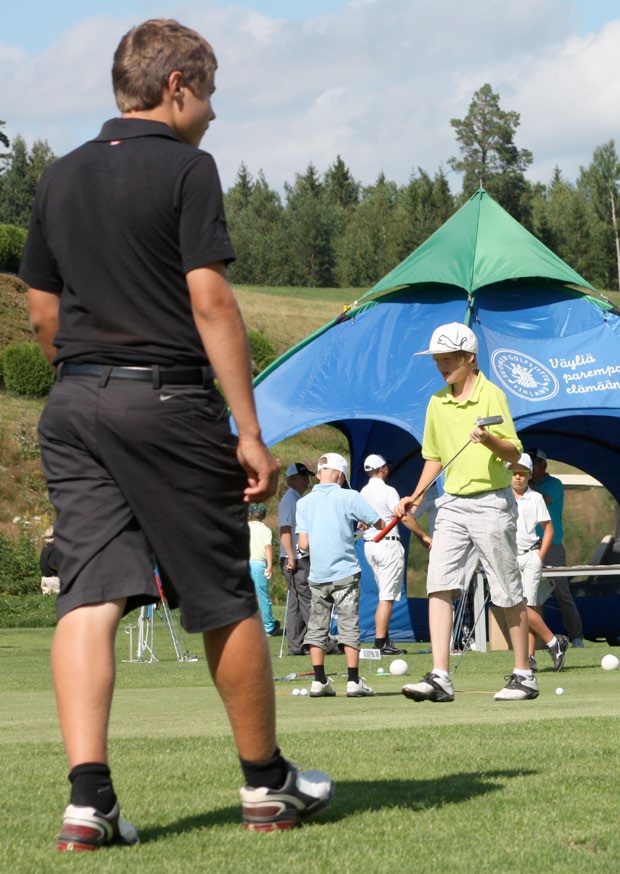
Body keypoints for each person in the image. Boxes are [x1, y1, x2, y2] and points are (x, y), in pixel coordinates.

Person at [20, 19, 333, 848]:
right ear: (176, 87)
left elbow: (41, 311)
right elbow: (211, 300)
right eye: (211, 95)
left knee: (88, 593)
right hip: (167, 403)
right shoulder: (190, 169)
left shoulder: (57, 177)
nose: (213, 115)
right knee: (224, 592)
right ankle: (267, 786)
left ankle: (89, 803)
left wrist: (87, 376)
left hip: (74, 405)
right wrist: (252, 433)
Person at [395, 322, 538, 702]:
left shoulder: (493, 396)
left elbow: (515, 454)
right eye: (438, 360)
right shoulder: (436, 402)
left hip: (492, 501)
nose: (441, 366)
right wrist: (416, 494)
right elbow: (434, 457)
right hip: (452, 505)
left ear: (469, 358)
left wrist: (489, 438)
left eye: (448, 359)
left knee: (507, 590)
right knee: (438, 584)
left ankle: (524, 674)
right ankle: (440, 676)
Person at [296, 453, 384, 697]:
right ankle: (354, 681)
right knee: (348, 624)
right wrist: (358, 525)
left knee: (316, 626)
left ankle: (319, 680)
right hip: (345, 571)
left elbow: (303, 544)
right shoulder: (349, 496)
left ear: (320, 472)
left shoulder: (303, 503)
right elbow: (379, 523)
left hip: (318, 574)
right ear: (340, 475)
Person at [360, 453, 432, 654]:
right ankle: (381, 643)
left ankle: (383, 639)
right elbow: (404, 517)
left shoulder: (363, 492)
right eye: (385, 467)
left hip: (370, 545)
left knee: (385, 594)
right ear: (381, 469)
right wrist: (423, 536)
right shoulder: (388, 490)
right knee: (387, 596)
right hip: (387, 545)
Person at [507, 454, 568, 672]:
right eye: (513, 473)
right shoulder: (502, 496)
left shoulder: (535, 498)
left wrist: (539, 557)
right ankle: (554, 642)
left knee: (527, 607)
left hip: (531, 555)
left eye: (522, 474)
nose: (517, 477)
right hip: (510, 558)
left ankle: (530, 656)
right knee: (518, 607)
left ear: (529, 475)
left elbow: (548, 529)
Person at [528, 448, 584, 647]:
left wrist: (523, 486)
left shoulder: (554, 484)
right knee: (527, 594)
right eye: (528, 462)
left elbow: (544, 500)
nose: (530, 467)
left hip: (553, 546)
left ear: (544, 465)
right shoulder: (524, 487)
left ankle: (576, 636)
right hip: (527, 546)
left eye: (534, 463)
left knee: (562, 593)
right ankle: (534, 643)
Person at [278, 461, 315, 655]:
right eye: (303, 477)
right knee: (307, 599)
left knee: (295, 602)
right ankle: (318, 642)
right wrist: (291, 557)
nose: (306, 481)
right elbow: (285, 529)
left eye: (307, 477)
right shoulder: (291, 499)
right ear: (291, 479)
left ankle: (297, 644)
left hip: (294, 557)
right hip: (295, 558)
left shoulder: (295, 498)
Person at [248, 503, 280, 636]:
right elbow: (268, 547)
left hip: (244, 564)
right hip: (259, 564)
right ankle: (268, 626)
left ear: (250, 514)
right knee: (263, 597)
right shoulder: (265, 530)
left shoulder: (245, 527)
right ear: (264, 515)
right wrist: (270, 566)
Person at [40, 526, 61, 595]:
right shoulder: (54, 549)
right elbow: (53, 564)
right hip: (53, 579)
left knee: (46, 600)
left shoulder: (45, 548)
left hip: (44, 578)